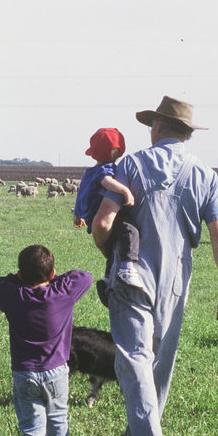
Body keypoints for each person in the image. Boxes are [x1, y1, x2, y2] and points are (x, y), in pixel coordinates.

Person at [90, 96, 218, 436]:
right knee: (159, 362)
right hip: (177, 279)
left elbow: (103, 223)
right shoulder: (205, 175)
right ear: (187, 133)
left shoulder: (130, 164)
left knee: (134, 356)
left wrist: (110, 252)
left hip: (131, 271)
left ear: (156, 127)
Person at [0, 245, 93, 436]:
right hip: (58, 372)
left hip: (25, 372)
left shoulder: (14, 296)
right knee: (58, 418)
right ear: (51, 274)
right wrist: (55, 278)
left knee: (32, 425)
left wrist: (16, 280)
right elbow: (85, 276)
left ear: (21, 275)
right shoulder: (62, 293)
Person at [72, 128, 140, 304]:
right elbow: (106, 182)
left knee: (111, 251)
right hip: (99, 213)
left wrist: (78, 215)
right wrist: (125, 191)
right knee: (129, 231)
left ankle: (108, 278)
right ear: (116, 151)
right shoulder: (106, 169)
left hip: (90, 216)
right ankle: (127, 269)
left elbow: (81, 193)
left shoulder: (89, 171)